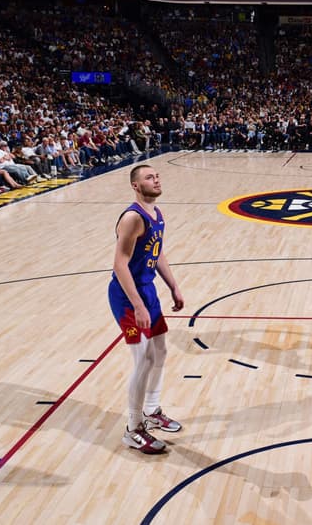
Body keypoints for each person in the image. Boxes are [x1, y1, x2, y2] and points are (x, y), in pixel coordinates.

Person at [110, 164, 185, 454]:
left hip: (147, 290)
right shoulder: (132, 217)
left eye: (157, 176)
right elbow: (120, 264)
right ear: (135, 186)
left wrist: (173, 286)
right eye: (149, 178)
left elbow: (157, 251)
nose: (156, 180)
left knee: (161, 351)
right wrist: (138, 305)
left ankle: (152, 410)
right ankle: (133, 428)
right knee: (144, 358)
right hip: (127, 295)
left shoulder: (157, 214)